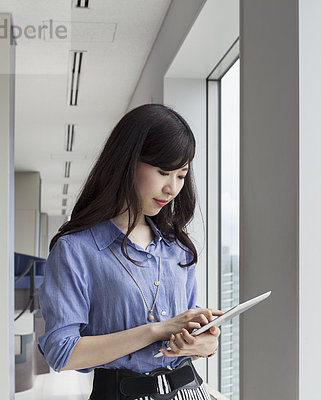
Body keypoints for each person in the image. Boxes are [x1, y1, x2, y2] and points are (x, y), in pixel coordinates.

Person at [37, 104, 224, 400]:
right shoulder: (76, 250)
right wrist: (156, 331)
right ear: (127, 163)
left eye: (181, 175)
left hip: (191, 391)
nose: (172, 188)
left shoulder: (176, 247)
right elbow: (62, 352)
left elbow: (190, 337)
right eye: (164, 172)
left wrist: (203, 344)